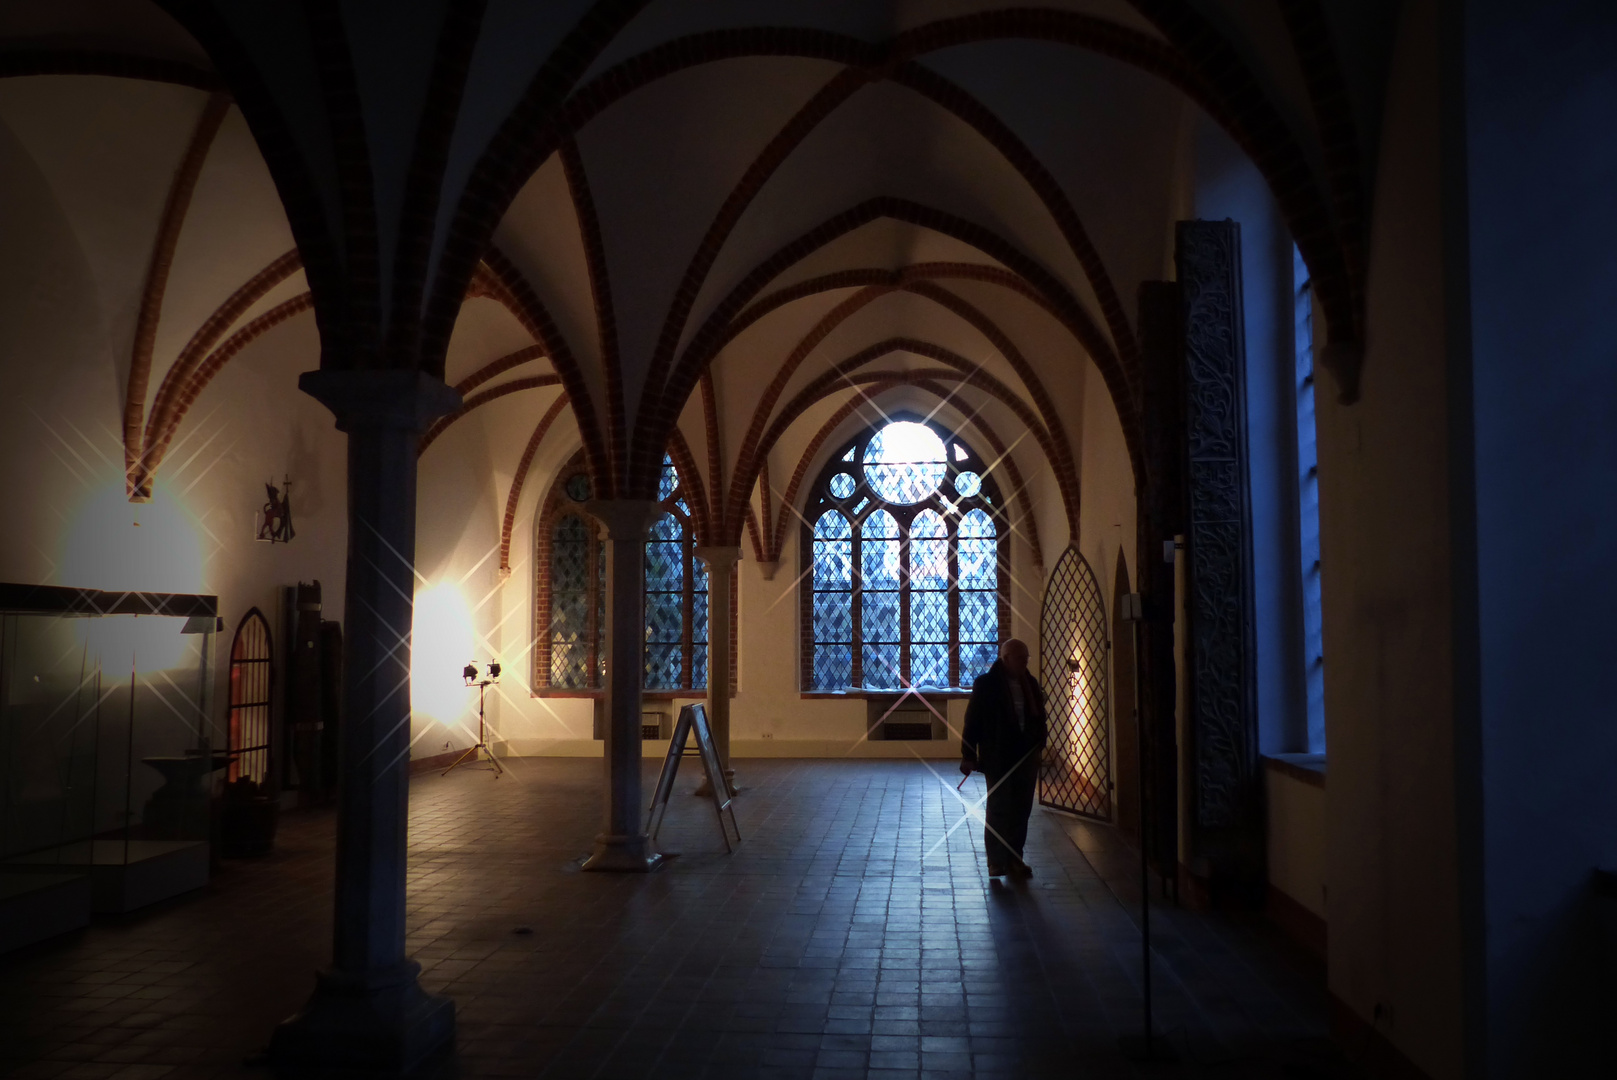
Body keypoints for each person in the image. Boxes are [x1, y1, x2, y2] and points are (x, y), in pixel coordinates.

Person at [960, 638, 1047, 878]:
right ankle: (996, 861)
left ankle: (1015, 859)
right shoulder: (987, 684)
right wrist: (968, 754)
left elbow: (1039, 717)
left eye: (1026, 658)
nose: (1025, 663)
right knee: (999, 808)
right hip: (998, 755)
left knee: (1021, 809)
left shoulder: (1030, 683)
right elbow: (973, 721)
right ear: (1006, 658)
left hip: (1026, 755)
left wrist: (1040, 742)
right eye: (1021, 658)